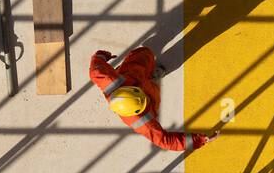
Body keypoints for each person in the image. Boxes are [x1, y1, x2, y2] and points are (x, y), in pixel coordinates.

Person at [89, 46, 217, 152]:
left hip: (133, 74)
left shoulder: (109, 80)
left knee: (145, 54)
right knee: (152, 86)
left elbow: (96, 68)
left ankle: (150, 75)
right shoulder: (143, 122)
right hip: (139, 80)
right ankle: (153, 77)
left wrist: (102, 55)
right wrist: (200, 140)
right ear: (138, 110)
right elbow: (166, 141)